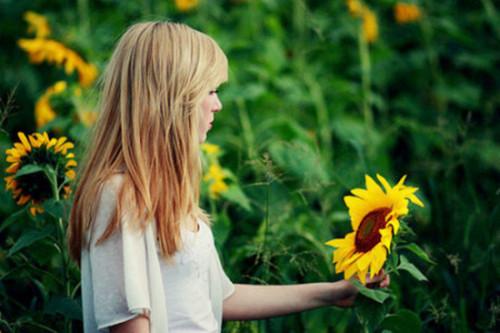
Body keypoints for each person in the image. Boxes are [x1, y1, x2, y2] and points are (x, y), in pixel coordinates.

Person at [67, 21, 390, 333]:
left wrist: (333, 292)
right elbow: (129, 324)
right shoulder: (119, 194)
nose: (217, 104)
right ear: (171, 98)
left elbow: (219, 297)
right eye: (209, 90)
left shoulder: (166, 195)